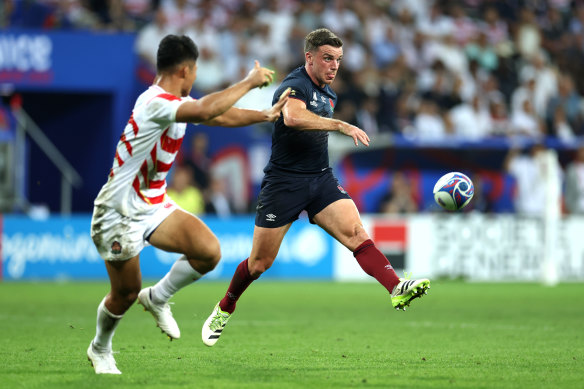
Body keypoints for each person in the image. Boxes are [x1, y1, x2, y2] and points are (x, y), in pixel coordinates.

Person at [201, 28, 430, 347]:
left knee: (357, 235)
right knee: (258, 264)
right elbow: (292, 119)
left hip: (320, 178)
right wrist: (340, 125)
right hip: (283, 183)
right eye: (327, 58)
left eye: (338, 59)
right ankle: (225, 307)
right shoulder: (295, 85)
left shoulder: (330, 94)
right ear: (309, 57)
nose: (334, 66)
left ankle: (395, 288)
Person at [87, 34, 290, 375]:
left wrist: (265, 115)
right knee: (124, 292)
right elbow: (208, 108)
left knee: (208, 251)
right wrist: (249, 82)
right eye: (194, 71)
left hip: (151, 204)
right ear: (185, 69)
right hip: (118, 212)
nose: (195, 77)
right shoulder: (155, 102)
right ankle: (100, 348)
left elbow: (218, 117)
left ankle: (158, 297)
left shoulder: (173, 102)